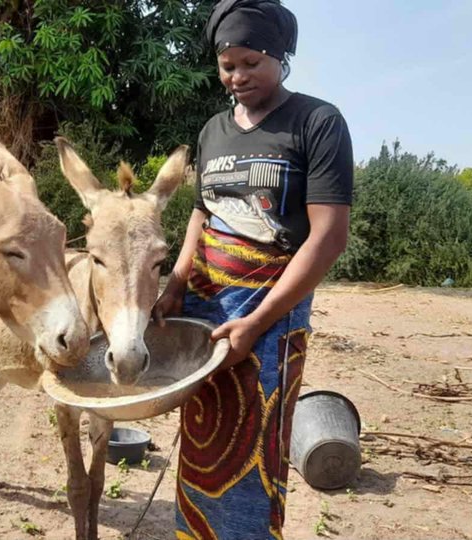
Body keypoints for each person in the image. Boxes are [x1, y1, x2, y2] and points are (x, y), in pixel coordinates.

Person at [152, 1, 354, 538]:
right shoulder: (214, 130)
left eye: (251, 62)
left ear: (280, 58)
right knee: (202, 432)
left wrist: (258, 321)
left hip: (268, 317)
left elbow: (329, 235)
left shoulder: (317, 121)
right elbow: (202, 211)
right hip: (204, 307)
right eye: (227, 65)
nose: (238, 76)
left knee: (254, 442)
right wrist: (175, 283)